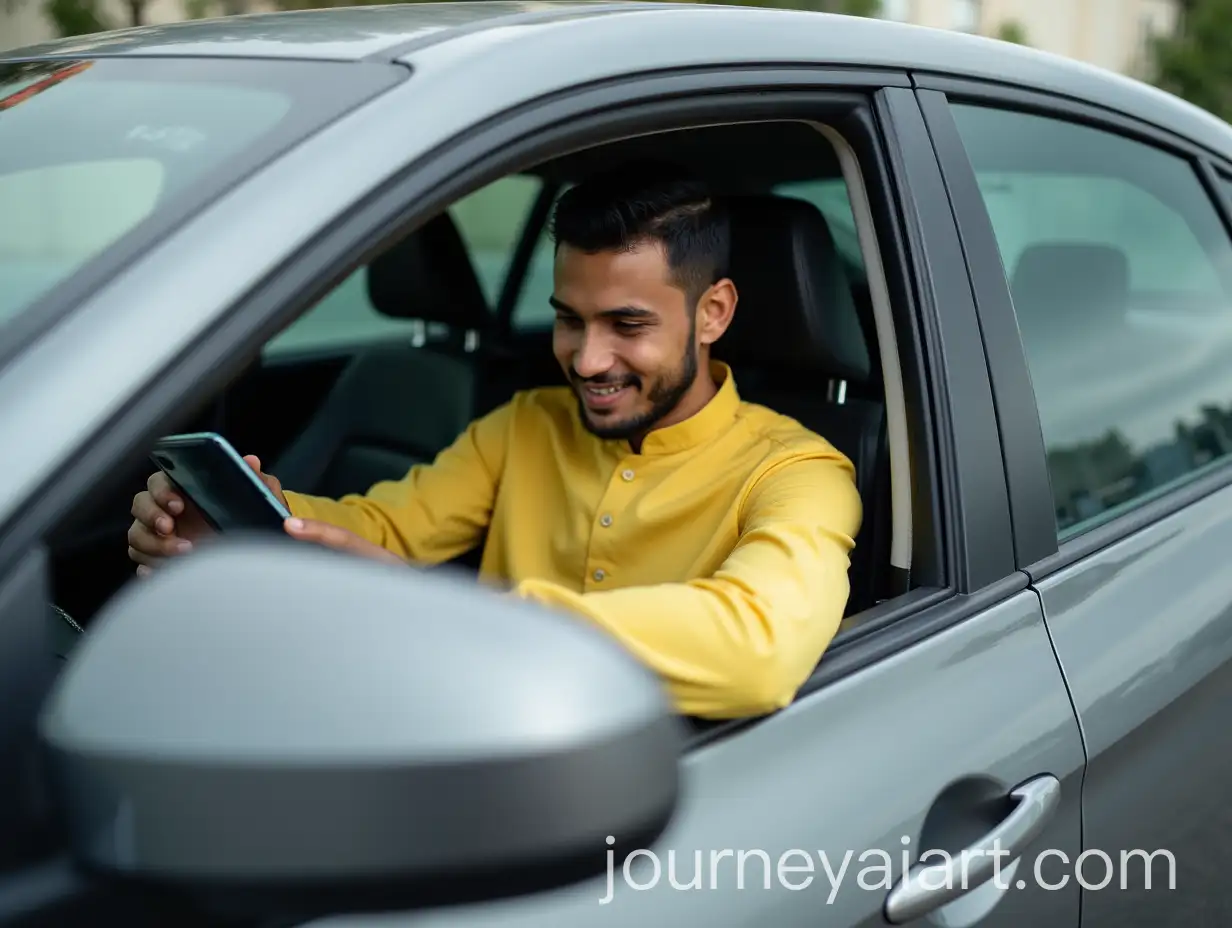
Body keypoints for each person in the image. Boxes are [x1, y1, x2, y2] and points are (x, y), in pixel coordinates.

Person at [127, 162, 862, 720]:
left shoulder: (799, 473)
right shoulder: (527, 424)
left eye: (627, 326)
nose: (587, 360)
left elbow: (759, 650)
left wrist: (446, 613)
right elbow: (386, 528)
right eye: (569, 320)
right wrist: (245, 519)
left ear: (713, 313)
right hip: (463, 732)